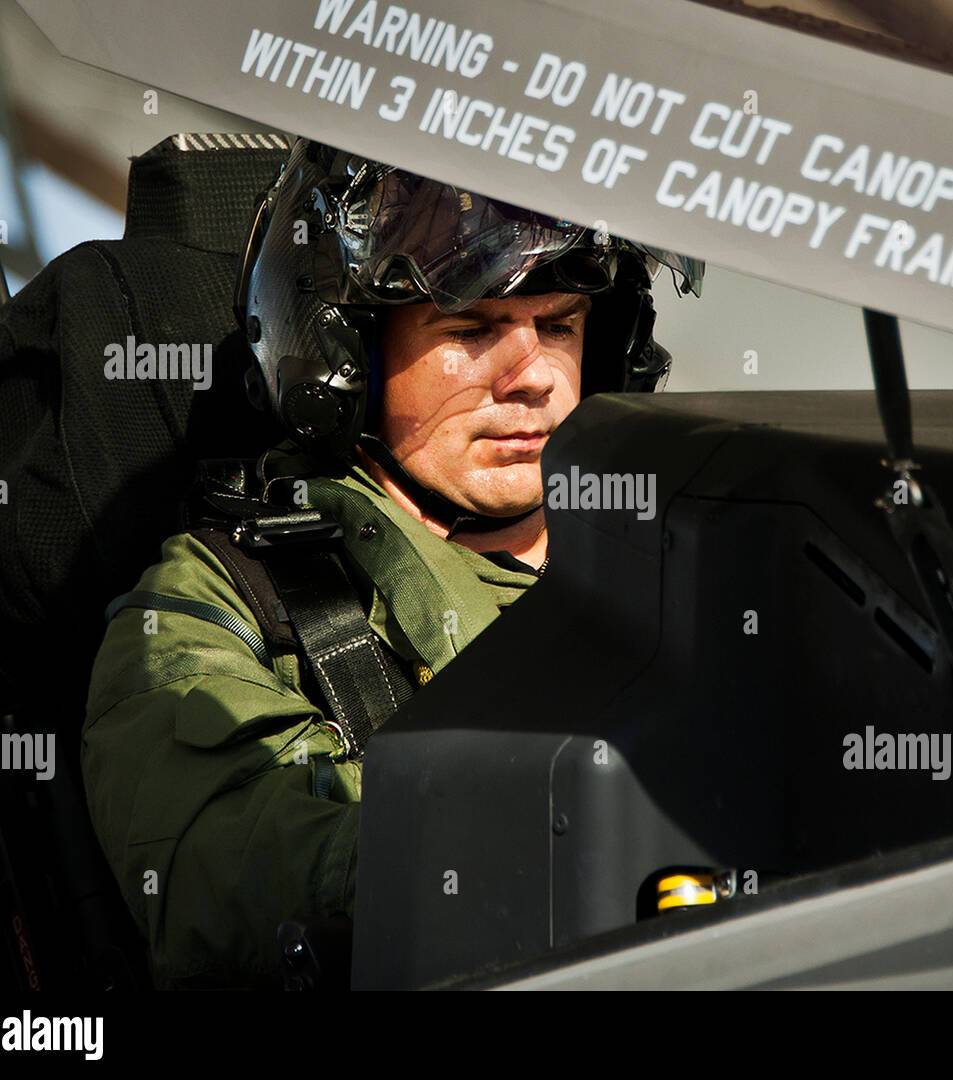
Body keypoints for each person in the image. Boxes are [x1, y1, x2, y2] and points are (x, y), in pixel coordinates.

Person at [80, 137, 702, 987]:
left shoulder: (693, 544)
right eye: (473, 329)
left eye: (560, 325)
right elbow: (219, 863)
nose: (533, 377)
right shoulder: (227, 599)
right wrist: (539, 839)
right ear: (346, 366)